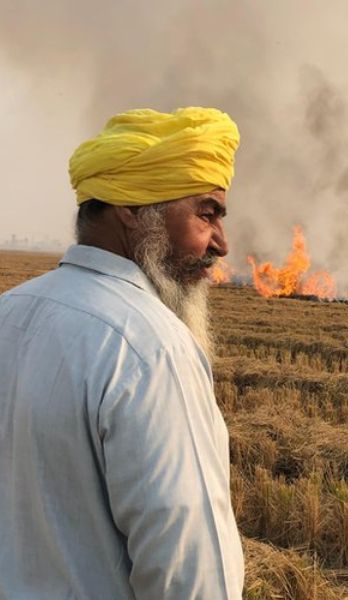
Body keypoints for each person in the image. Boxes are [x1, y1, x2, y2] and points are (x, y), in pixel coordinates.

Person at [0, 107, 245, 598]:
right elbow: (190, 573)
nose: (220, 243)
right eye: (207, 214)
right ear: (131, 208)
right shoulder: (151, 349)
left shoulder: (9, 313)